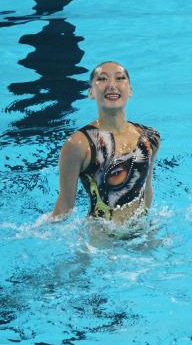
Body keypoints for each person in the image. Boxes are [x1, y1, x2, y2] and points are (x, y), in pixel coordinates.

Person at [48, 61, 160, 224]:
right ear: (91, 92)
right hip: (101, 234)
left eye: (120, 78)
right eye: (102, 79)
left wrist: (147, 226)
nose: (112, 85)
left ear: (130, 90)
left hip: (139, 228)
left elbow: (146, 189)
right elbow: (65, 203)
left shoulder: (149, 137)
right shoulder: (79, 144)